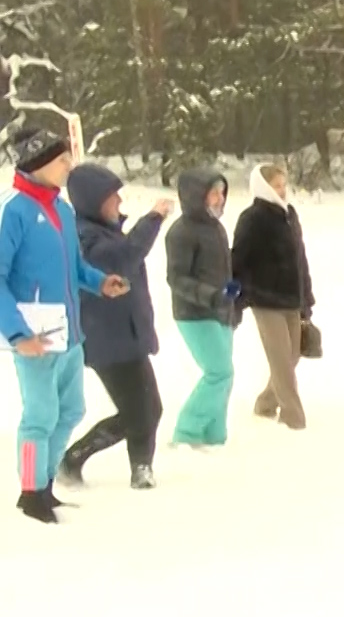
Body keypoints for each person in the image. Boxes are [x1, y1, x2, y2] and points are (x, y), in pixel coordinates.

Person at [3, 128, 131, 522]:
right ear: (39, 164)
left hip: (70, 334)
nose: (68, 166)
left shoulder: (63, 209)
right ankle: (30, 491)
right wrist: (18, 334)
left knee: (72, 410)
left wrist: (99, 282)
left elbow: (74, 267)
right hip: (36, 337)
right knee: (39, 415)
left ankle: (43, 485)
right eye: (61, 160)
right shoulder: (16, 212)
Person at [59, 162, 169, 490]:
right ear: (94, 200)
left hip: (128, 334)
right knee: (140, 410)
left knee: (148, 408)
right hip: (106, 339)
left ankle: (140, 466)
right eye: (113, 197)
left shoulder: (104, 230)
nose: (120, 202)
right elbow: (122, 257)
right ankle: (75, 458)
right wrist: (153, 220)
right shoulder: (84, 236)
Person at [230, 164, 315, 429]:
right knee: (280, 361)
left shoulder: (289, 215)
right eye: (277, 186)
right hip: (265, 300)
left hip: (291, 297)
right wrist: (236, 295)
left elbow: (300, 259)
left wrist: (306, 299)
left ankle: (266, 403)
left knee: (292, 356)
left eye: (283, 185)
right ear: (264, 187)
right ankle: (294, 419)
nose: (282, 190)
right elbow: (237, 259)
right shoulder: (252, 218)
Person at [165, 166, 238, 450]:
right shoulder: (181, 232)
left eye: (222, 192)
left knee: (225, 376)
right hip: (194, 314)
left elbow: (221, 270)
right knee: (219, 372)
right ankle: (186, 432)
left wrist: (233, 295)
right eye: (213, 193)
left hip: (221, 311)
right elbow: (176, 278)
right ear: (197, 196)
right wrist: (210, 296)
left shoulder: (216, 228)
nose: (220, 198)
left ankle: (214, 435)